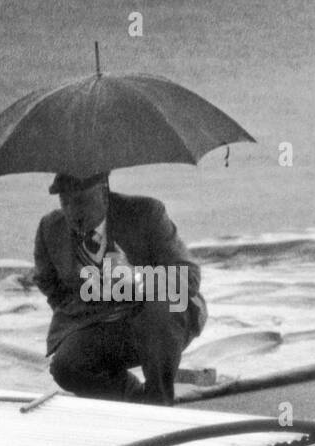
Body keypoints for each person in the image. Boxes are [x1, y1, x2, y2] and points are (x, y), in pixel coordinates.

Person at [29, 172, 207, 405]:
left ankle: (159, 399)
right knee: (65, 367)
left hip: (162, 317)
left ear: (104, 194)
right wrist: (81, 307)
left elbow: (188, 276)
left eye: (81, 201)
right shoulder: (50, 229)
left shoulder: (146, 213)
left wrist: (136, 278)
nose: (73, 212)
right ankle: (134, 401)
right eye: (65, 202)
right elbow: (47, 282)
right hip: (102, 322)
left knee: (158, 313)